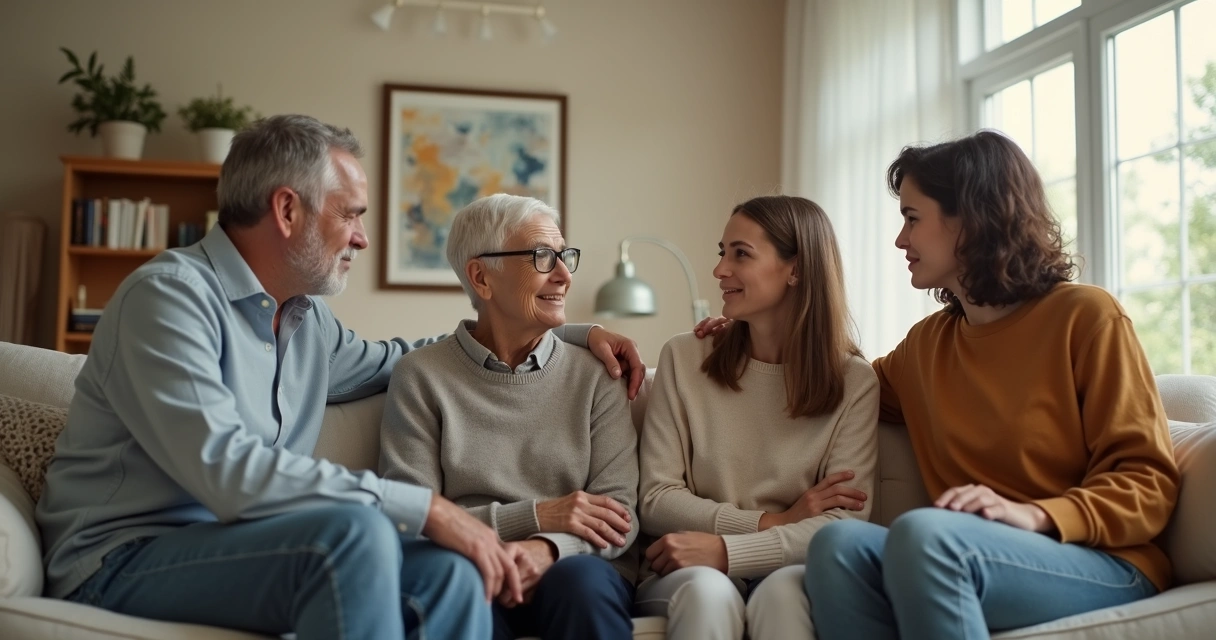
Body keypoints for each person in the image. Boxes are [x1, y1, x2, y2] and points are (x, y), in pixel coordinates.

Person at [35, 115, 646, 640]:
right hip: (122, 557)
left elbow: (428, 352)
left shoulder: (308, 324)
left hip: (244, 551)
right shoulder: (168, 298)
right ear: (286, 209)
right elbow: (224, 469)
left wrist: (564, 332)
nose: (362, 236)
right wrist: (429, 510)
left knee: (454, 575)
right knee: (352, 535)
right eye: (350, 215)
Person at [802, 130, 1181, 639]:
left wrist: (1035, 515)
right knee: (837, 548)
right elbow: (841, 384)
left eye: (912, 219)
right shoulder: (926, 345)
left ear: (971, 219)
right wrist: (747, 336)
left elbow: (1149, 484)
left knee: (925, 533)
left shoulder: (1086, 318)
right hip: (964, 552)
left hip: (1104, 562)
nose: (900, 240)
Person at [379, 193, 640, 640]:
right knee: (459, 586)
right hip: (468, 565)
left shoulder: (598, 374)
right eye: (542, 257)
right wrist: (537, 516)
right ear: (481, 277)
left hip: (576, 567)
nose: (564, 275)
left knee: (580, 584)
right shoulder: (421, 376)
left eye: (565, 256)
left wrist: (548, 549)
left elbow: (621, 517)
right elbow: (413, 518)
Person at [635, 195, 879, 640]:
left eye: (740, 254)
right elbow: (655, 498)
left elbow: (843, 525)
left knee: (785, 596)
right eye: (722, 252)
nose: (719, 270)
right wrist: (770, 523)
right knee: (710, 594)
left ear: (797, 269)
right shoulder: (685, 356)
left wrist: (730, 552)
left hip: (788, 567)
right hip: (686, 566)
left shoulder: (854, 381)